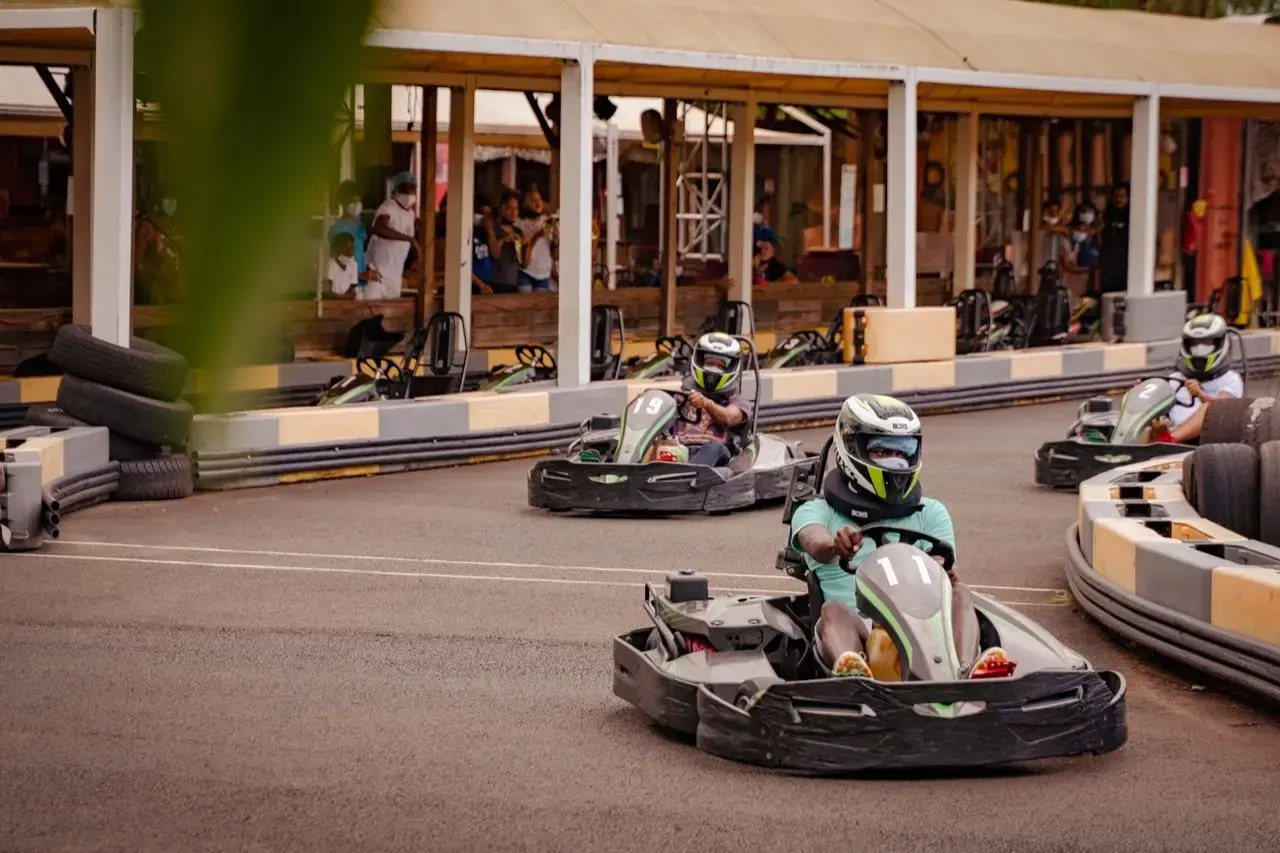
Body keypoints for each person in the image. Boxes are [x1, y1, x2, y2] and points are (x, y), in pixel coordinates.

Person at [789, 394, 1011, 679]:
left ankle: (966, 670)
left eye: (903, 451)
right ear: (851, 447)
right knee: (832, 609)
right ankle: (854, 673)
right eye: (882, 451)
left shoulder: (931, 512)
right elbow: (814, 541)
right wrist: (835, 544)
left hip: (924, 629)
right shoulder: (818, 511)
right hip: (859, 629)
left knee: (960, 593)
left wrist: (945, 574)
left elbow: (945, 568)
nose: (895, 460)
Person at [1148, 313, 1243, 445]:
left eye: (1206, 343)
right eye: (1194, 343)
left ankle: (1168, 440)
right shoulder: (1175, 378)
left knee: (1209, 408)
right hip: (1171, 430)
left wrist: (1200, 394)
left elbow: (1223, 409)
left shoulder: (1230, 379)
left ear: (1219, 343)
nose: (1199, 348)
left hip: (1205, 440)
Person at [670, 332, 751, 468]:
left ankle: (687, 477)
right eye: (709, 363)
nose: (713, 368)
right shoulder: (680, 397)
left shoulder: (737, 400)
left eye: (719, 365)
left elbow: (729, 417)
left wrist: (706, 403)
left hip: (717, 458)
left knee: (714, 447)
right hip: (679, 451)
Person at [365, 171, 420, 300]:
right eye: (407, 189)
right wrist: (410, 239)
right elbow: (379, 229)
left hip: (395, 277)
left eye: (413, 190)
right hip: (377, 274)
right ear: (397, 190)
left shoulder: (411, 214)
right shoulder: (389, 206)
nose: (410, 194)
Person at [516, 188, 557, 293]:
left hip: (544, 274)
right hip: (526, 272)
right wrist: (537, 235)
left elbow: (556, 254)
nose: (537, 202)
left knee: (540, 307)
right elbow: (522, 255)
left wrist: (556, 239)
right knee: (526, 306)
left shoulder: (548, 221)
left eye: (539, 199)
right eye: (532, 199)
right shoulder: (520, 224)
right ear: (524, 204)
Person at [486, 190, 524, 294]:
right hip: (495, 283)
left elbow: (523, 262)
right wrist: (504, 239)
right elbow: (495, 254)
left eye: (516, 208)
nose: (513, 212)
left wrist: (528, 242)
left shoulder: (518, 231)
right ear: (500, 208)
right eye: (508, 208)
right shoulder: (493, 229)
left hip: (513, 283)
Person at [1098, 184, 1130, 294]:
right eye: (1116, 196)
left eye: (1122, 196)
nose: (1119, 199)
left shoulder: (1132, 216)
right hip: (1109, 265)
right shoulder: (1107, 215)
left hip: (1126, 264)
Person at [326, 232, 362, 299]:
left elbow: (352, 290)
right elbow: (329, 292)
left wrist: (342, 297)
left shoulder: (354, 264)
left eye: (351, 247)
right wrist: (341, 297)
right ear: (338, 248)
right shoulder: (332, 264)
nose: (350, 251)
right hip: (333, 302)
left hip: (347, 301)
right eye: (346, 247)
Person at [472, 193, 495, 295]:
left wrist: (490, 232)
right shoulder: (466, 232)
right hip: (472, 285)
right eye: (481, 214)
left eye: (488, 215)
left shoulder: (485, 231)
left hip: (487, 285)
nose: (484, 218)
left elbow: (496, 254)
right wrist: (480, 284)